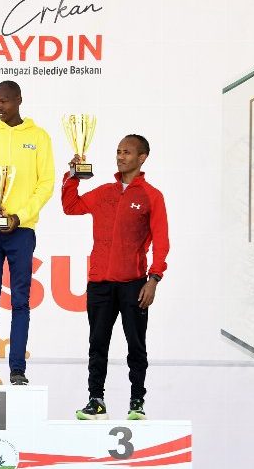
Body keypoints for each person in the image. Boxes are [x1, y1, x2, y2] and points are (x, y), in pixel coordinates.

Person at [61, 134, 169, 420]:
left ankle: (137, 402)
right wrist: (73, 176)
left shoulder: (151, 196)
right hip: (100, 283)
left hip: (134, 284)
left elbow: (162, 241)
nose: (121, 157)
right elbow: (71, 207)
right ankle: (96, 401)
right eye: (118, 151)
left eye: (127, 152)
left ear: (142, 158)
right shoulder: (104, 192)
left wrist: (154, 279)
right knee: (97, 344)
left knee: (136, 346)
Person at [0, 80, 55, 385]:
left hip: (22, 230)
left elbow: (46, 184)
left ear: (18, 100)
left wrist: (20, 216)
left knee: (20, 301)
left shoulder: (38, 137)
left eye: (3, 101)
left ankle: (17, 369)